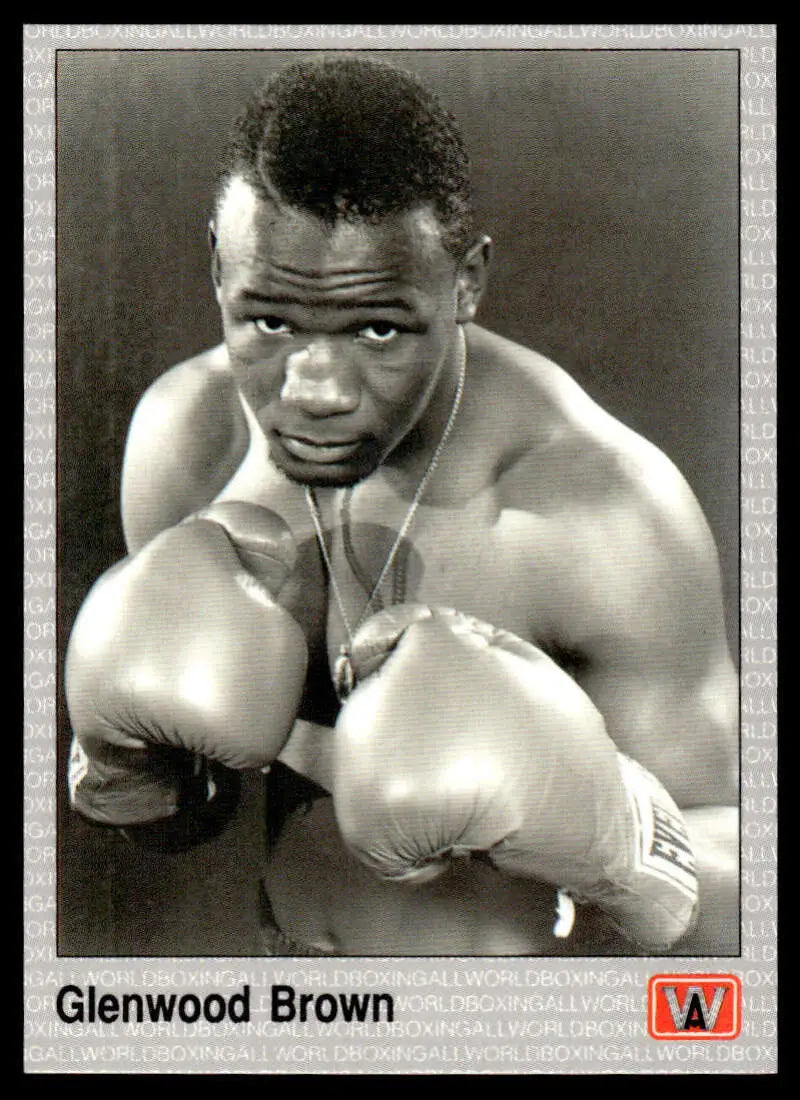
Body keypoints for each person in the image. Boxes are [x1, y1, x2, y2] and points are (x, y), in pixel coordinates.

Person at [65, 57, 738, 956]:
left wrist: (618, 836)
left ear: (465, 282)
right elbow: (188, 815)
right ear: (219, 268)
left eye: (376, 329)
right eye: (269, 322)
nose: (314, 391)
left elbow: (739, 922)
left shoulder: (601, 516)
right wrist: (129, 773)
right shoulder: (189, 440)